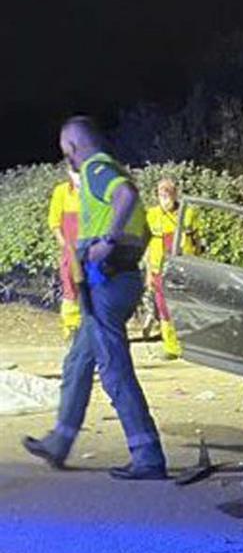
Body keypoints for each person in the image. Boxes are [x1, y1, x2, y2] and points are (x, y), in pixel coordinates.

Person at [23, 116, 167, 480]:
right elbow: (146, 232)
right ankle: (60, 441)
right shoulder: (114, 168)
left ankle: (147, 455)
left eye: (65, 150)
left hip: (107, 284)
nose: (66, 158)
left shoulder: (96, 169)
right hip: (117, 280)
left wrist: (108, 242)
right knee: (77, 362)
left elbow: (126, 197)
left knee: (114, 369)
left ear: (73, 147)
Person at [143, 178, 199, 359]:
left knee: (183, 305)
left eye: (168, 192)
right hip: (159, 268)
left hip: (183, 267)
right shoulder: (151, 215)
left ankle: (188, 345)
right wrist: (148, 273)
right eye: (161, 193)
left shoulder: (188, 213)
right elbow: (147, 245)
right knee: (163, 307)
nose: (164, 196)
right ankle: (171, 347)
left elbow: (197, 242)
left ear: (175, 194)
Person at [47, 164, 82, 340]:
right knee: (70, 287)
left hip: (91, 249)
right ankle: (71, 327)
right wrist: (65, 245)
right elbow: (54, 222)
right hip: (71, 249)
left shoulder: (94, 192)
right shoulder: (61, 191)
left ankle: (90, 328)